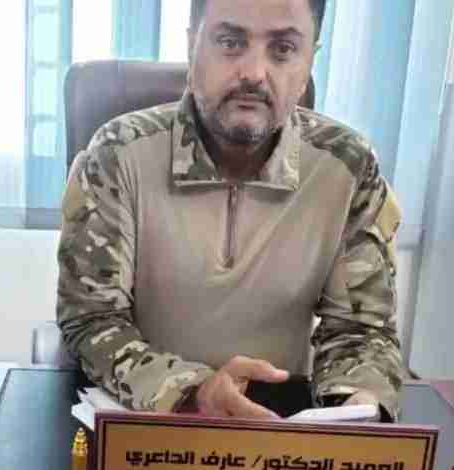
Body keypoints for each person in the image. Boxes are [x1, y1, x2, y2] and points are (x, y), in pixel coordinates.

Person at [57, 0, 407, 421]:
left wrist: (357, 404)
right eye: (230, 42)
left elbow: (362, 330)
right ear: (193, 45)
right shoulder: (117, 154)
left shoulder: (348, 166)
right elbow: (92, 319)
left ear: (310, 60)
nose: (254, 73)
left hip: (280, 423)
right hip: (152, 416)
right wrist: (193, 391)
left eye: (283, 49)